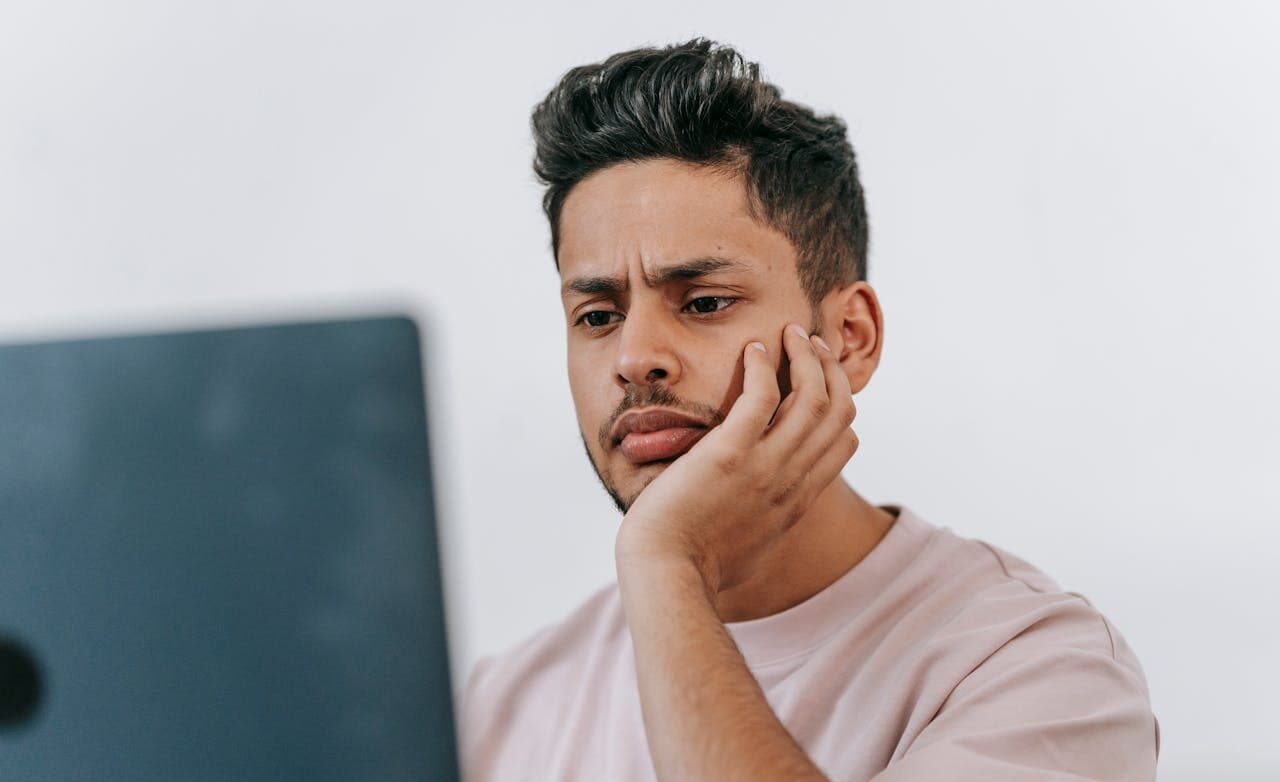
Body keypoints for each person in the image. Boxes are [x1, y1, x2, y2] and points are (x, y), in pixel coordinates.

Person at [459, 38, 1160, 781]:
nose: (635, 359)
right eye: (597, 316)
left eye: (704, 302)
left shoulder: (1039, 672)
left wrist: (667, 561)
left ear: (849, 339)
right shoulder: (498, 712)